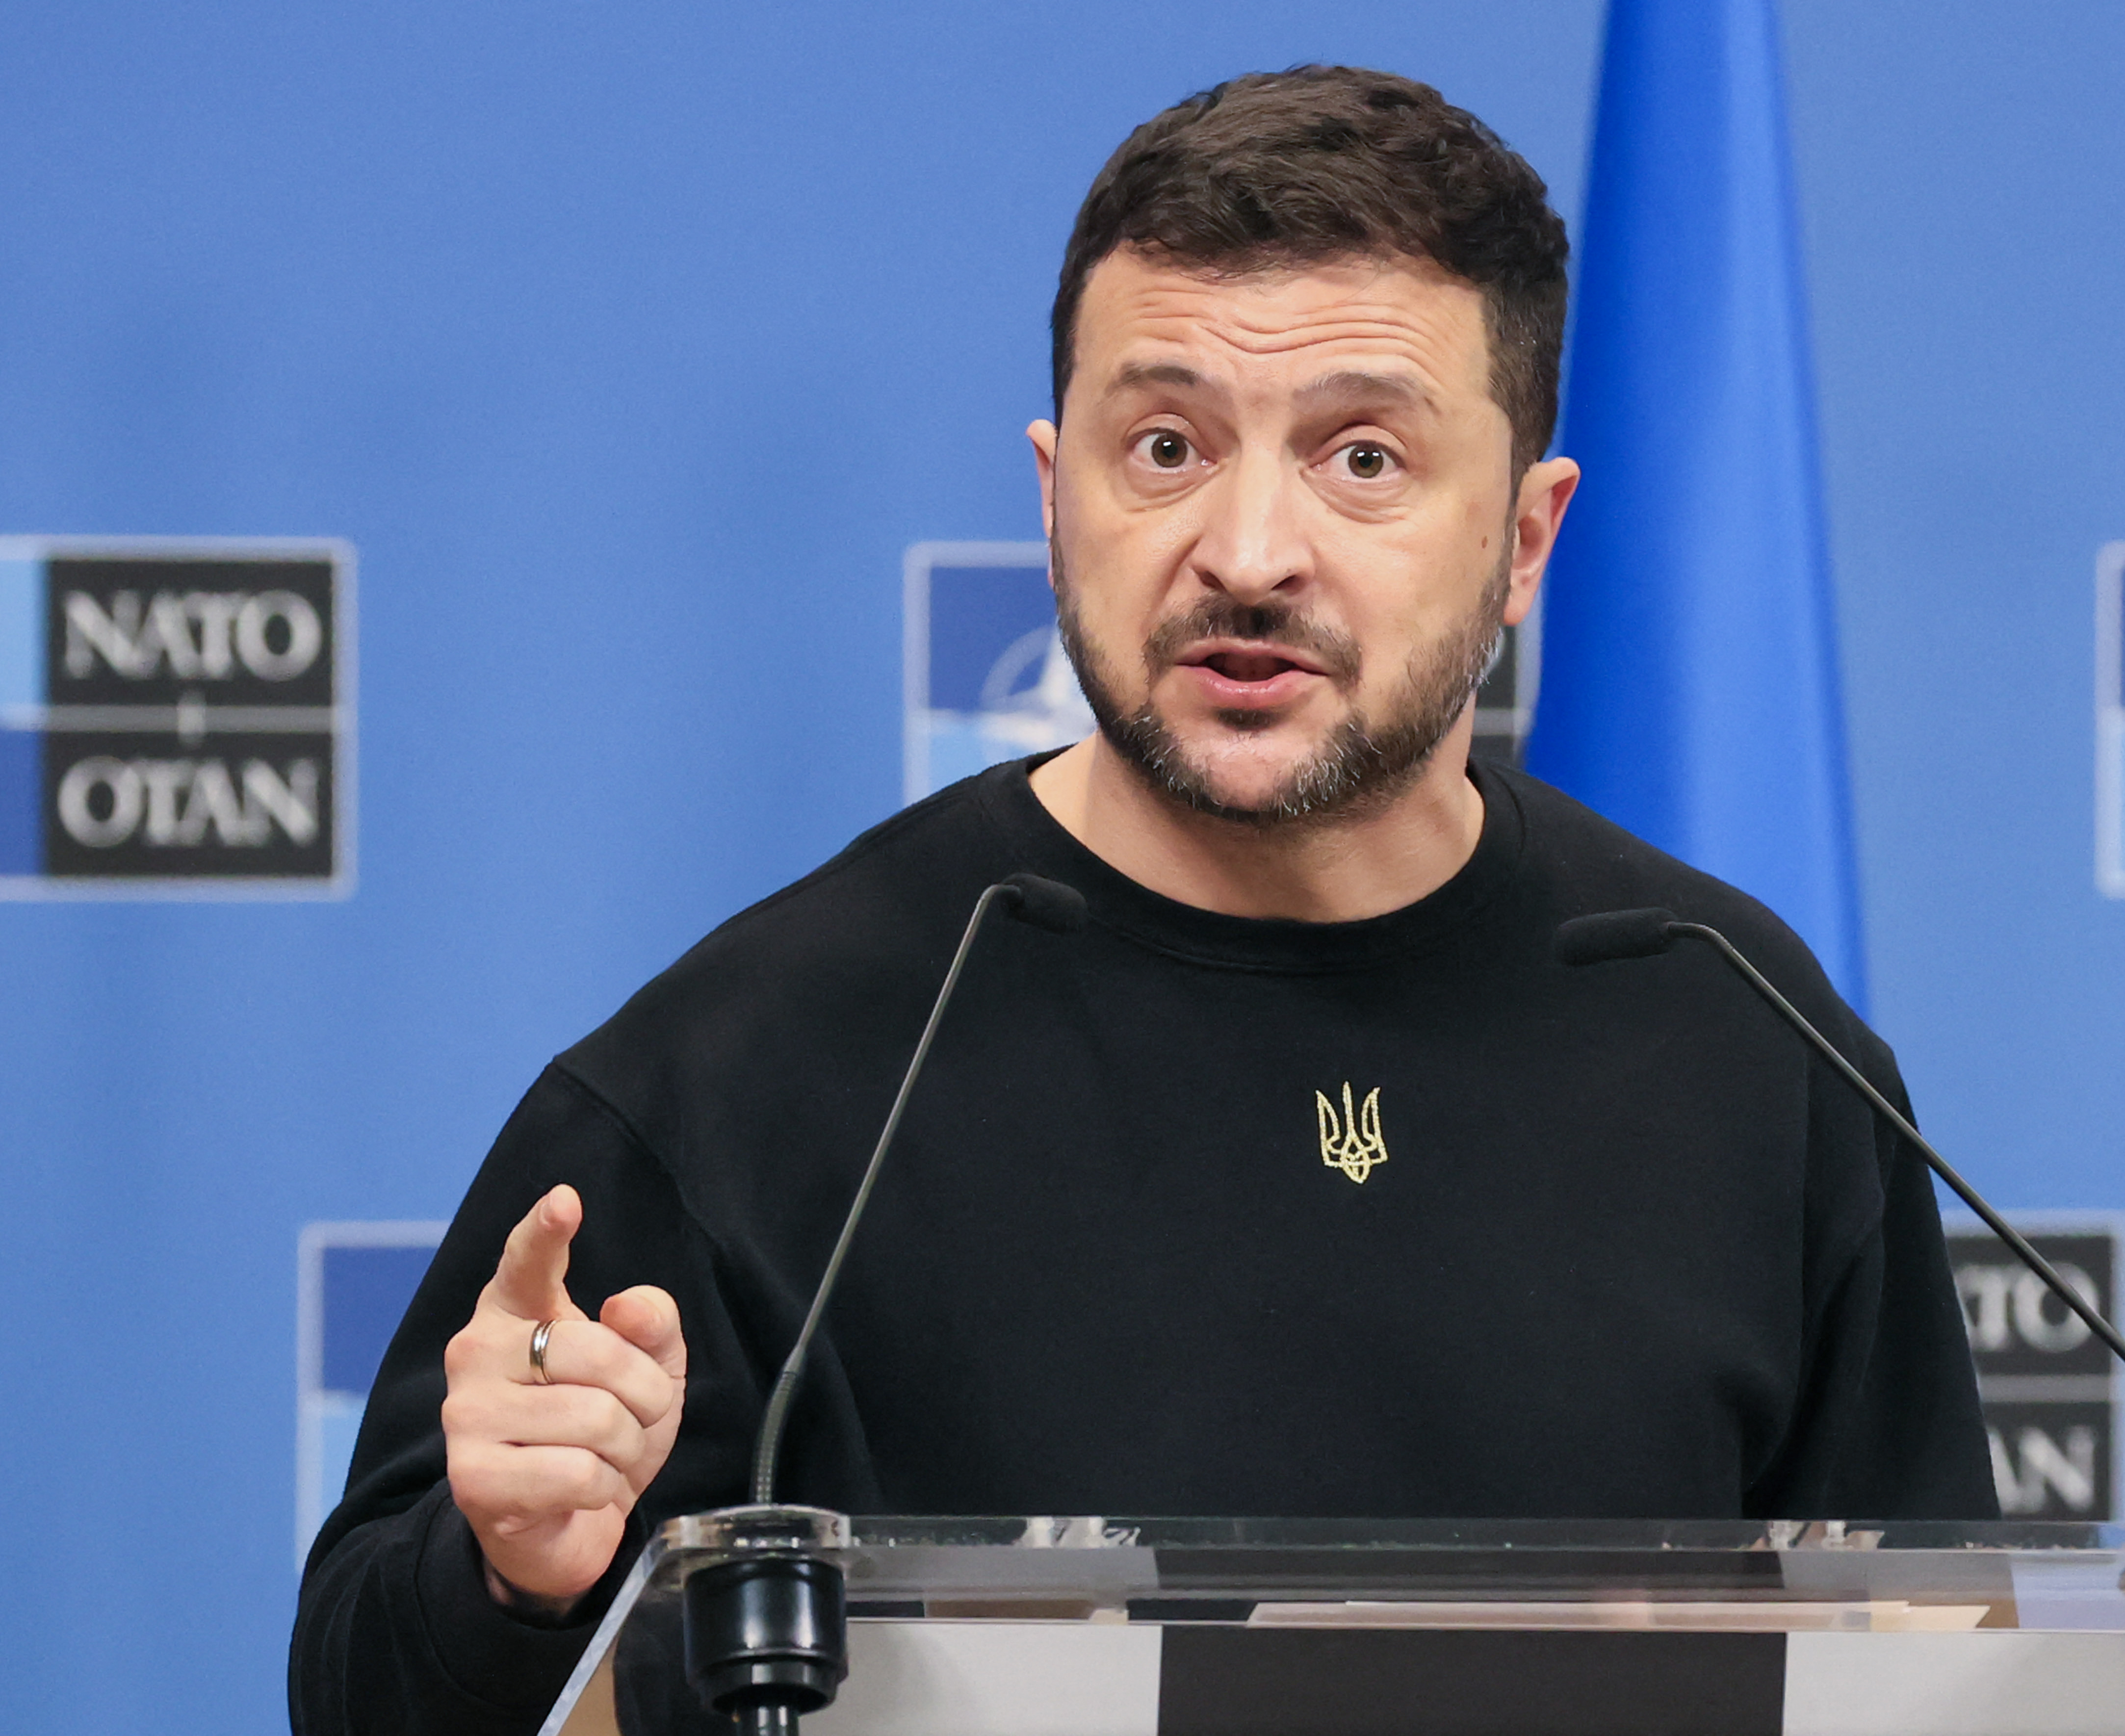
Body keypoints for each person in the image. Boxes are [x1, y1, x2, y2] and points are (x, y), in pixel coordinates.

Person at [291, 64, 1994, 1736]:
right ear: (1053, 499)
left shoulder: (1744, 1039)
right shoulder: (756, 1069)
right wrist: (505, 1577)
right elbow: (360, 1694)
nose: (1249, 548)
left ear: (1528, 540)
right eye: (1166, 445)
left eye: (1363, 461)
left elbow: (1953, 1680)